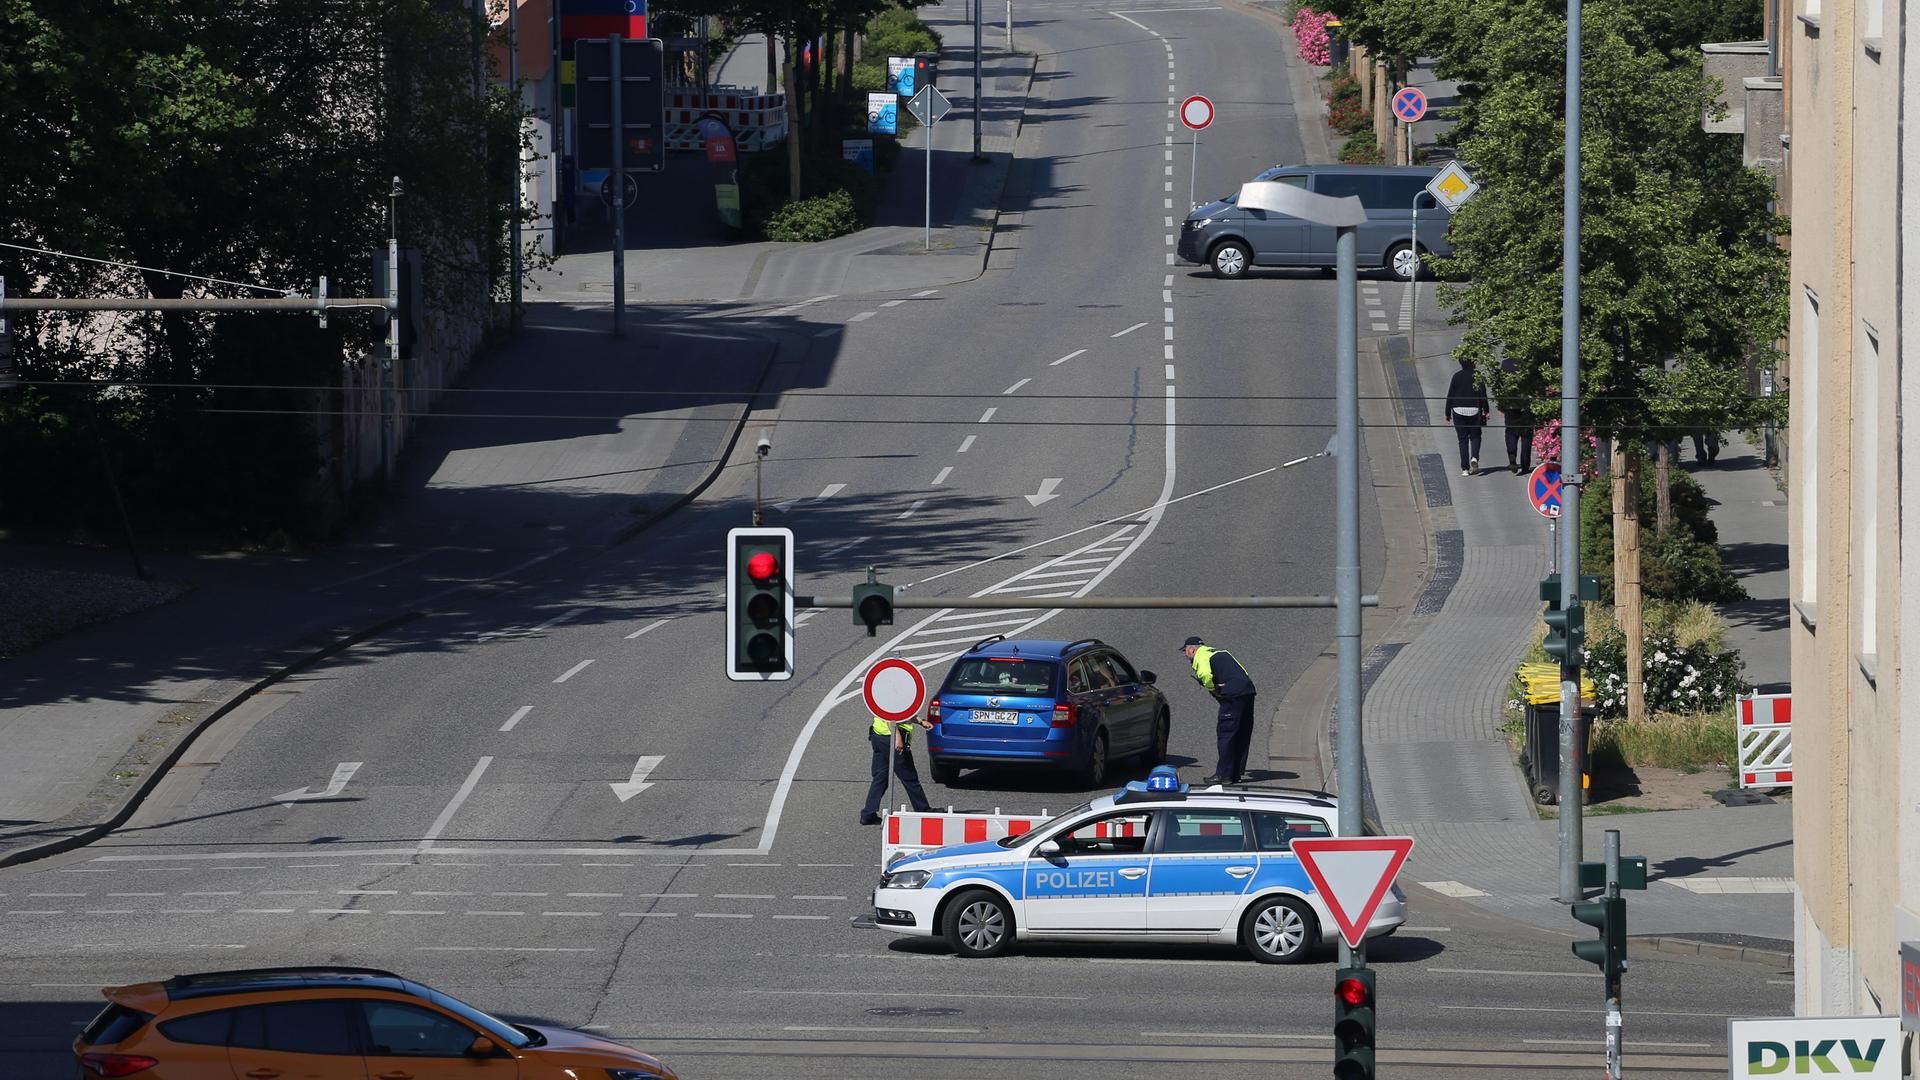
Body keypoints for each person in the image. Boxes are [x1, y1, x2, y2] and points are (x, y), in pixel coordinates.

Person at [1180, 635, 1258, 785]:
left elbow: (1205, 675)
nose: (1185, 655)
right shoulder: (1221, 652)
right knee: (1241, 732)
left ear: (1192, 649)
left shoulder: (1201, 655)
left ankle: (1223, 775)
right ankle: (1235, 773)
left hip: (1233, 695)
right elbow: (1243, 671)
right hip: (1248, 691)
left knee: (1226, 734)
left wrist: (1213, 689)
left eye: (1185, 651)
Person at [859, 712, 932, 826]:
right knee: (909, 776)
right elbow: (889, 714)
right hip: (891, 737)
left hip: (878, 736)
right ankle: (923, 810)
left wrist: (921, 721)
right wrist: (897, 736)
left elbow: (904, 712)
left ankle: (868, 814)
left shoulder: (888, 696)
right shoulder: (895, 695)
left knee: (881, 778)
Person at [1445, 357, 1489, 477]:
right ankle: (1474, 457)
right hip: (1474, 409)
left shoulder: (1456, 376)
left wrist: (1447, 412)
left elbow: (1450, 395)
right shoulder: (1477, 375)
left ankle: (1465, 468)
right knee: (1475, 436)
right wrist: (1486, 410)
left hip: (1458, 409)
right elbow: (1482, 394)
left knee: (1462, 439)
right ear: (1472, 362)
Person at [1498, 356, 1533, 475]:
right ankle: (1525, 464)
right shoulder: (1528, 363)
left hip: (1510, 405)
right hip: (1527, 406)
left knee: (1511, 433)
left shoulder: (1505, 364)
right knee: (1526, 435)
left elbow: (1500, 386)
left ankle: (1512, 458)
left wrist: (1501, 404)